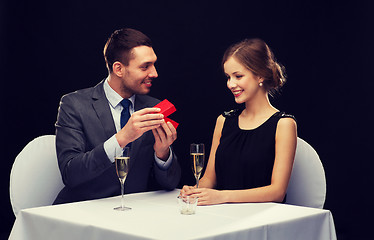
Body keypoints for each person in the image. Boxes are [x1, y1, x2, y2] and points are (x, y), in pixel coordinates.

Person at [54, 28, 181, 204]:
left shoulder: (153, 107)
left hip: (133, 214)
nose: (154, 73)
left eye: (154, 64)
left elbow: (171, 183)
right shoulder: (74, 104)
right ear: (119, 69)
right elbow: (71, 174)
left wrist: (162, 154)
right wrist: (121, 139)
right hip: (82, 213)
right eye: (145, 66)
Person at [181, 38, 297, 205]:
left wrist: (223, 196)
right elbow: (208, 180)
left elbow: (277, 192)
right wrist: (194, 189)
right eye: (228, 77)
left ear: (261, 75)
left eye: (238, 76)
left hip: (263, 220)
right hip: (222, 214)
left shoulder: (283, 124)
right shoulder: (224, 120)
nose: (230, 84)